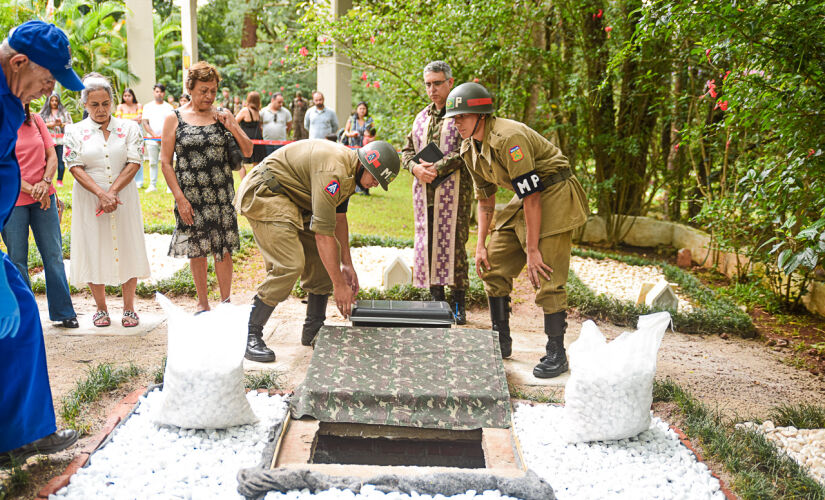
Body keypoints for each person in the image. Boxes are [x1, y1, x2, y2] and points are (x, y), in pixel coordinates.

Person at [445, 82, 589, 378]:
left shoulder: (508, 139)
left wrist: (532, 250)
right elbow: (485, 200)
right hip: (525, 198)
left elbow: (533, 196)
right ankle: (500, 340)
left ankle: (556, 352)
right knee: (492, 263)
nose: (456, 123)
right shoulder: (468, 148)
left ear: (481, 116)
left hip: (554, 192)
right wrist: (481, 243)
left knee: (545, 271)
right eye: (454, 118)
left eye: (462, 116)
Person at [0, 20, 84, 467]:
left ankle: (19, 435)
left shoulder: (12, 100)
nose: (47, 91)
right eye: (46, 80)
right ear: (19, 62)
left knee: (20, 315)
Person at [234, 140, 400, 361]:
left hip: (295, 199)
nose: (376, 185)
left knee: (325, 261)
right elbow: (323, 235)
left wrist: (346, 265)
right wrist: (339, 286)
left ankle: (314, 328)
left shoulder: (350, 170)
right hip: (267, 192)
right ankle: (248, 333)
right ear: (366, 166)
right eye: (376, 178)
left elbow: (339, 219)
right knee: (289, 264)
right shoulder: (334, 172)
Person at [160, 61, 252, 314]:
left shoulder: (222, 115)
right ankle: (202, 302)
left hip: (221, 194)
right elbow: (165, 163)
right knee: (196, 248)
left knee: (222, 248)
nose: (209, 96)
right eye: (203, 90)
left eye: (213, 90)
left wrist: (232, 125)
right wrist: (179, 198)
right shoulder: (174, 118)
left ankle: (225, 302)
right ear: (190, 88)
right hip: (190, 195)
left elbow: (248, 150)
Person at [64, 73, 150, 328]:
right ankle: (100, 308)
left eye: (105, 104)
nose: (101, 110)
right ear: (85, 105)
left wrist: (111, 192)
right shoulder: (75, 131)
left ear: (112, 102)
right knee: (94, 246)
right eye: (94, 105)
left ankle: (129, 308)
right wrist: (101, 194)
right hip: (89, 198)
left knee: (127, 244)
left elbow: (134, 161)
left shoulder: (129, 128)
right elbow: (74, 166)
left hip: (123, 196)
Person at [401, 61, 473, 324]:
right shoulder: (421, 117)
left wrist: (437, 167)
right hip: (425, 194)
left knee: (454, 245)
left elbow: (467, 148)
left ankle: (458, 303)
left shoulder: (462, 114)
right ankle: (435, 300)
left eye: (437, 83)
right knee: (428, 243)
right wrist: (414, 169)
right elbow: (406, 151)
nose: (432, 89)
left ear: (450, 83)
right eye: (428, 84)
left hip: (455, 195)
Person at [2, 102, 78, 329]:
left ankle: (63, 312)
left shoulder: (36, 120)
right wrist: (30, 188)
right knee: (17, 259)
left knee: (53, 256)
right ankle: (28, 315)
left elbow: (52, 155)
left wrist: (45, 184)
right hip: (13, 201)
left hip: (44, 197)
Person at [140, 83, 174, 192]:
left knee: (167, 163)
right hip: (151, 139)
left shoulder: (169, 107)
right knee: (153, 162)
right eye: (157, 91)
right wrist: (154, 135)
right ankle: (152, 185)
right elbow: (145, 122)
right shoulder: (148, 106)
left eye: (161, 92)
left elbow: (172, 124)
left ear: (164, 93)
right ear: (154, 92)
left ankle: (170, 187)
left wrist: (164, 136)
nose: (159, 94)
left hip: (166, 139)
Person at [39, 91, 72, 187]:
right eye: (52, 100)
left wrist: (61, 124)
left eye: (56, 100)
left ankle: (59, 180)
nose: (54, 102)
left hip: (60, 141)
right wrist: (49, 125)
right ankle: (46, 179)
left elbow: (70, 125)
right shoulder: (43, 113)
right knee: (46, 161)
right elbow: (38, 125)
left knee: (60, 161)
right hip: (48, 141)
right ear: (48, 101)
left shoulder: (64, 113)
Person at [260, 92, 292, 156]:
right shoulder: (263, 111)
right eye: (279, 102)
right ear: (272, 100)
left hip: (281, 143)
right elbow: (259, 125)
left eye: (282, 102)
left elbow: (289, 125)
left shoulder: (286, 112)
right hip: (267, 143)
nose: (281, 104)